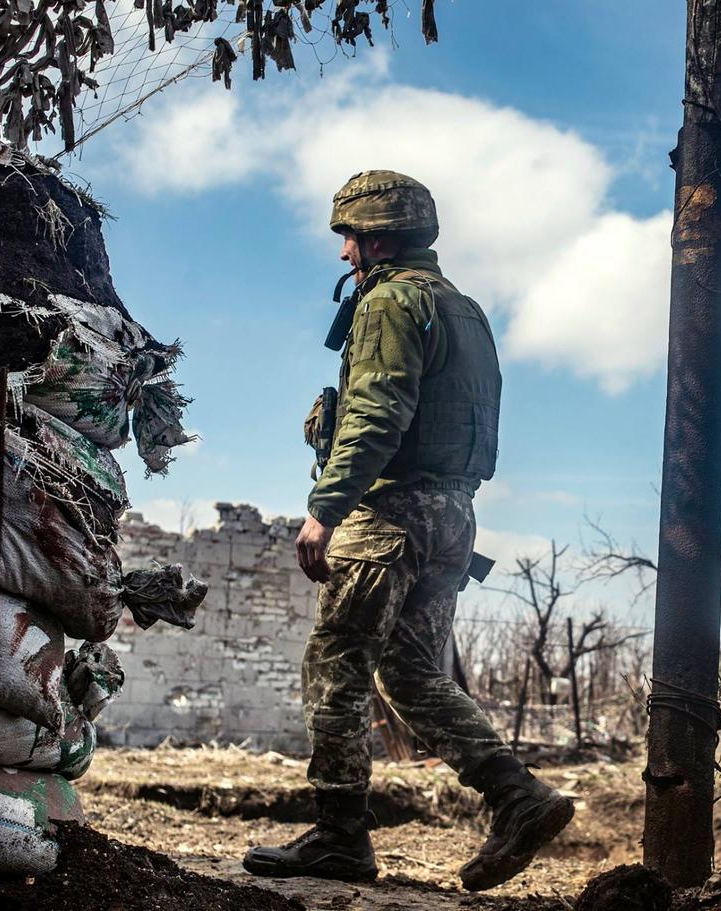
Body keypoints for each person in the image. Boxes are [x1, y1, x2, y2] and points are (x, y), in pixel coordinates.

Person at [242, 171, 573, 892]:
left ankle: (338, 837)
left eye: (350, 239)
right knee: (415, 672)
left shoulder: (391, 300)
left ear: (379, 239)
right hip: (453, 517)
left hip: (390, 516)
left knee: (336, 663)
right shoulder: (465, 308)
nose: (344, 255)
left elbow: (379, 411)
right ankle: (520, 797)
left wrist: (327, 508)